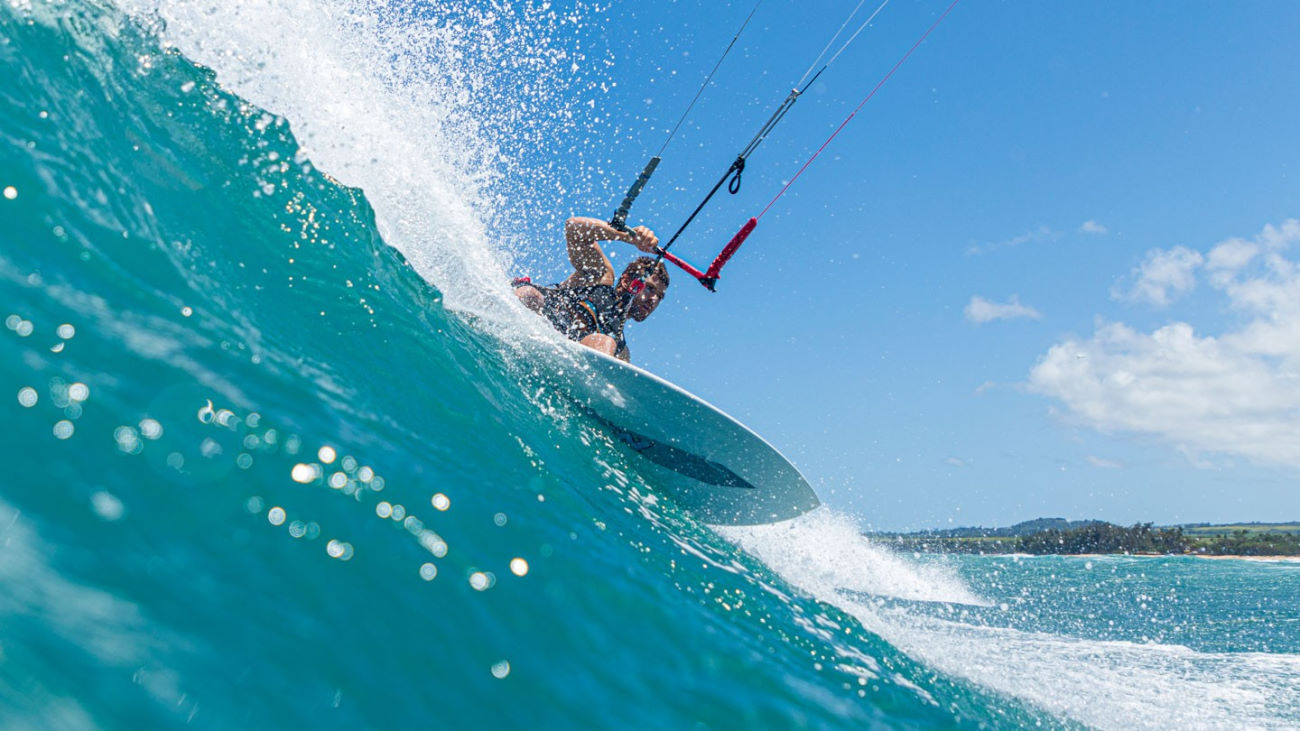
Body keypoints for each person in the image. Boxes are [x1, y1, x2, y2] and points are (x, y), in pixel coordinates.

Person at [514, 216, 669, 362]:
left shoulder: (620, 351)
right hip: (528, 310)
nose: (654, 299)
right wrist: (629, 237)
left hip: (552, 351)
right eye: (649, 288)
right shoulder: (601, 277)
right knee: (530, 295)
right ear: (627, 280)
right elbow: (574, 228)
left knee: (607, 345)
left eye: (660, 296)